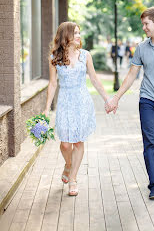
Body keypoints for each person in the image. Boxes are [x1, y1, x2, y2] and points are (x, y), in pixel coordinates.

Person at [105, 7, 154, 200]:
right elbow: (132, 74)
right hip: (147, 100)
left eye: (146, 23)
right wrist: (116, 97)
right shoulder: (142, 47)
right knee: (152, 142)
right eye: (143, 24)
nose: (144, 27)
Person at [43, 22, 109, 196]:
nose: (79, 36)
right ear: (66, 36)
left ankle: (73, 178)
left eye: (79, 33)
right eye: (76, 33)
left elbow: (94, 79)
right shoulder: (54, 57)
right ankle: (68, 164)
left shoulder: (85, 55)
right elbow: (52, 83)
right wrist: (46, 109)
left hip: (82, 101)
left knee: (78, 142)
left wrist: (107, 99)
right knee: (65, 144)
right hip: (64, 102)